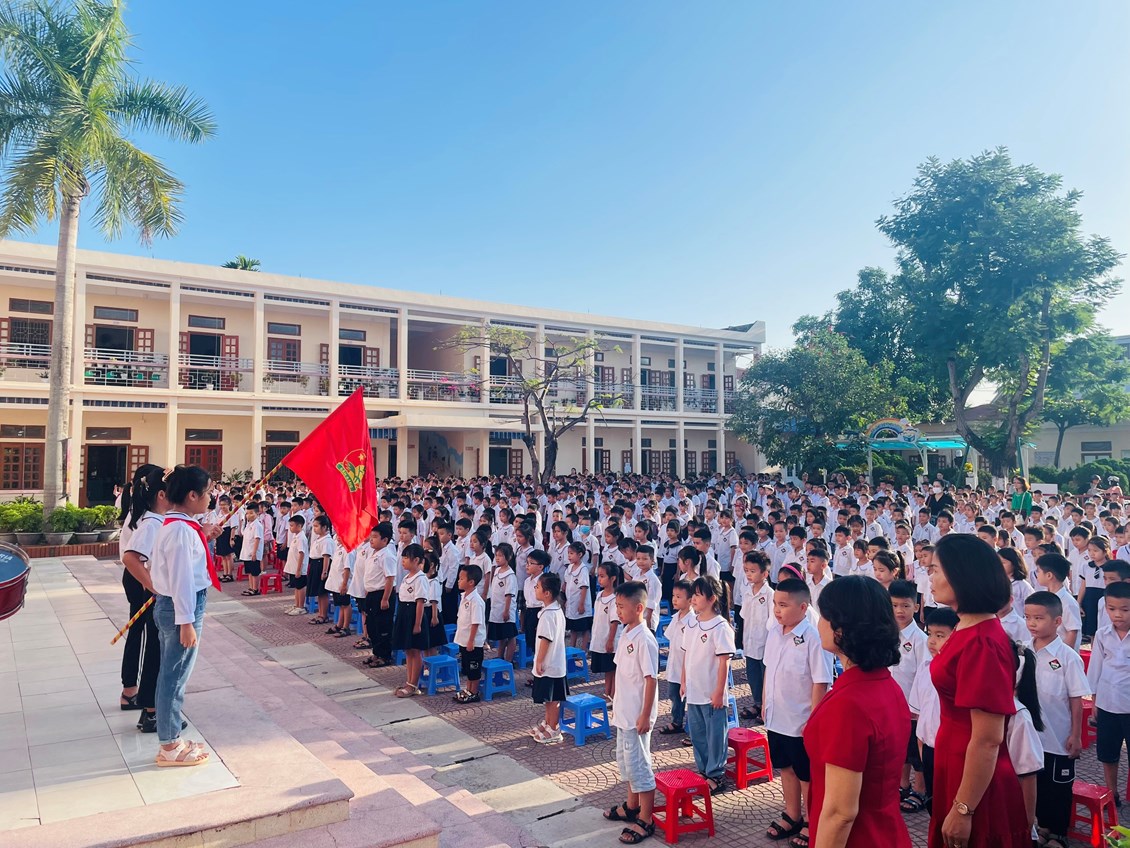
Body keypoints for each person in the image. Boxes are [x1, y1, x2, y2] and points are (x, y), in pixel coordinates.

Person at [926, 534, 1029, 848]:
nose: (929, 577)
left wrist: (964, 808)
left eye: (935, 569)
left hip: (974, 775)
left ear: (962, 575)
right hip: (957, 760)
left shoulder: (981, 643)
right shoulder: (966, 627)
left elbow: (987, 738)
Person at [803, 575, 911, 847]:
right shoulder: (887, 685)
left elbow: (840, 813)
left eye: (824, 616)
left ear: (841, 628)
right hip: (886, 830)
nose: (819, 623)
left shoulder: (848, 704)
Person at [151, 465, 215, 767]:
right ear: (192, 495)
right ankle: (170, 745)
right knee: (174, 677)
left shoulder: (181, 526)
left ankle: (171, 737)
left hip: (176, 605)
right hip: (180, 607)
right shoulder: (179, 531)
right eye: (207, 493)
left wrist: (204, 536)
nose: (210, 498)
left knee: (172, 673)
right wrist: (186, 621)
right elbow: (182, 579)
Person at [763, 578, 834, 845]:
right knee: (785, 767)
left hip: (801, 720)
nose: (777, 610)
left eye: (783, 605)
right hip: (776, 717)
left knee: (807, 774)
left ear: (803, 607)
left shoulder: (813, 637)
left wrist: (814, 719)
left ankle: (811, 821)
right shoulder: (774, 632)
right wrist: (764, 702)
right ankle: (792, 815)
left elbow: (821, 681)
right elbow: (769, 669)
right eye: (775, 604)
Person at [1023, 590, 1088, 848]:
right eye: (1028, 617)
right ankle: (1041, 827)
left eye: (1038, 618)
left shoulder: (1068, 658)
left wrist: (1076, 735)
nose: (1032, 623)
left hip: (1058, 738)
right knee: (1035, 784)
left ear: (1057, 621)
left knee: (1058, 788)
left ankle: (1058, 833)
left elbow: (1076, 699)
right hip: (1031, 737)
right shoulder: (1023, 652)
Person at [604, 581, 661, 845]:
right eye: (616, 606)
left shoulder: (645, 639)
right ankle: (631, 806)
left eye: (621, 606)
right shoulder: (626, 632)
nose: (618, 611)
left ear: (638, 608)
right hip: (624, 712)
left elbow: (651, 679)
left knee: (640, 766)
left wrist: (645, 715)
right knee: (627, 764)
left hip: (637, 715)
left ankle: (646, 819)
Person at [119, 464, 167, 732]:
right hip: (140, 579)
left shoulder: (139, 512)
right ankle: (142, 698)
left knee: (142, 633)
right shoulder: (146, 520)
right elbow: (132, 557)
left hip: (140, 577)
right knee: (148, 637)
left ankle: (133, 690)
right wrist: (153, 585)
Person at [681, 575, 735, 795]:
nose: (693, 599)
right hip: (694, 690)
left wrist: (719, 691)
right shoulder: (692, 622)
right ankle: (703, 770)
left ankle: (716, 774)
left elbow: (724, 662)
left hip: (712, 692)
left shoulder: (720, 626)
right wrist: (683, 681)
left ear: (712, 599)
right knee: (698, 734)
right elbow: (686, 654)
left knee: (715, 735)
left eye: (698, 595)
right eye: (693, 594)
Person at [910, 607, 959, 814]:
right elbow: (920, 715)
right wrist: (922, 749)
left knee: (953, 803)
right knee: (935, 804)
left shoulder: (960, 672)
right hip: (929, 748)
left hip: (953, 750)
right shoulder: (924, 668)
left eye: (940, 636)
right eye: (929, 633)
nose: (931, 641)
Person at [1086, 580, 1130, 808]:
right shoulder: (1102, 634)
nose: (1117, 615)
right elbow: (1095, 668)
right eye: (1112, 609)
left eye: (1125, 609)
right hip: (1107, 704)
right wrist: (1094, 700)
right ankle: (1112, 793)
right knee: (1108, 753)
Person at [890, 580, 928, 813]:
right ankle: (903, 784)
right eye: (894, 605)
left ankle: (920, 789)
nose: (899, 611)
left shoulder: (920, 639)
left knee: (916, 751)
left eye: (905, 606)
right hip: (893, 703)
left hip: (914, 707)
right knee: (900, 748)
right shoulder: (888, 633)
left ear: (916, 606)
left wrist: (919, 707)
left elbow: (925, 675)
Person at [531, 572, 568, 744]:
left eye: (538, 587)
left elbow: (546, 640)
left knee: (553, 699)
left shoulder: (549, 614)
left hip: (550, 664)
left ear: (547, 593)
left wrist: (539, 661)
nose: (535, 589)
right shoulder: (553, 610)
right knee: (548, 698)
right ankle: (547, 723)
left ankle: (554, 729)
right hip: (553, 663)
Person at [391, 543, 430, 697]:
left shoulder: (420, 578)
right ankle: (408, 682)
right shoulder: (407, 577)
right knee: (408, 651)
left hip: (414, 615)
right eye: (403, 558)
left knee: (415, 651)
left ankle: (413, 685)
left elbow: (420, 603)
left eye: (407, 558)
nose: (403, 561)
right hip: (404, 614)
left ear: (416, 560)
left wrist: (417, 624)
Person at [739, 550, 772, 723]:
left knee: (765, 676)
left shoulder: (769, 594)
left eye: (753, 571)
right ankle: (757, 703)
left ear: (764, 573)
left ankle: (767, 706)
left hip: (765, 643)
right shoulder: (747, 592)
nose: (749, 574)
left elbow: (773, 622)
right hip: (750, 641)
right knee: (753, 676)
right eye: (746, 570)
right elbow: (744, 617)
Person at [657, 579, 693, 737]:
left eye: (679, 597)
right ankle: (677, 721)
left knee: (690, 698)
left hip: (687, 667)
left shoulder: (692, 621)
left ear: (690, 600)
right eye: (673, 596)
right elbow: (670, 638)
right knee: (674, 694)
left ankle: (692, 727)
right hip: (674, 665)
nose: (674, 600)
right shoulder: (676, 617)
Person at [453, 563, 486, 704]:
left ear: (471, 582)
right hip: (463, 639)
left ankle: (474, 692)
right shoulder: (464, 597)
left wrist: (471, 641)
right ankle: (468, 689)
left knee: (474, 668)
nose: (458, 581)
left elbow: (475, 622)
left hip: (473, 642)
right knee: (467, 667)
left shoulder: (476, 601)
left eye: (461, 579)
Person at [591, 561, 623, 702]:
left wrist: (610, 640)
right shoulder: (599, 595)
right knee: (607, 669)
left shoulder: (615, 598)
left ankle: (613, 695)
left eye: (602, 576)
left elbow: (614, 621)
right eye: (598, 576)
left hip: (610, 639)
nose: (599, 579)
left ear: (613, 578)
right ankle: (607, 692)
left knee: (613, 669)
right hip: (599, 637)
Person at [283, 513, 309, 616]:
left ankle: (301, 607)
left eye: (292, 525)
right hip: (294, 567)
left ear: (299, 526)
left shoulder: (301, 538)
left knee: (300, 587)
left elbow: (301, 554)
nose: (290, 528)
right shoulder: (296, 536)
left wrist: (299, 569)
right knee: (296, 587)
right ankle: (296, 604)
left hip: (299, 568)